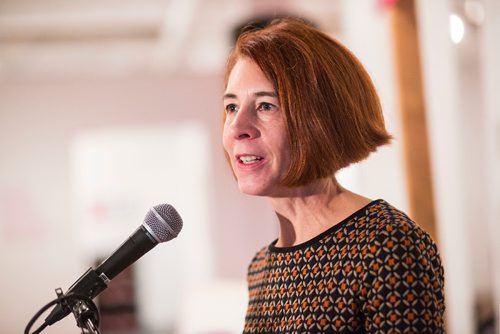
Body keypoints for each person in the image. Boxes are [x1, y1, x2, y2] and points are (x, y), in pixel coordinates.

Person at [222, 17, 445, 333]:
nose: (237, 127)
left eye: (265, 106)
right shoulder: (261, 267)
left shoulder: (386, 246)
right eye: (231, 107)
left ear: (320, 120)